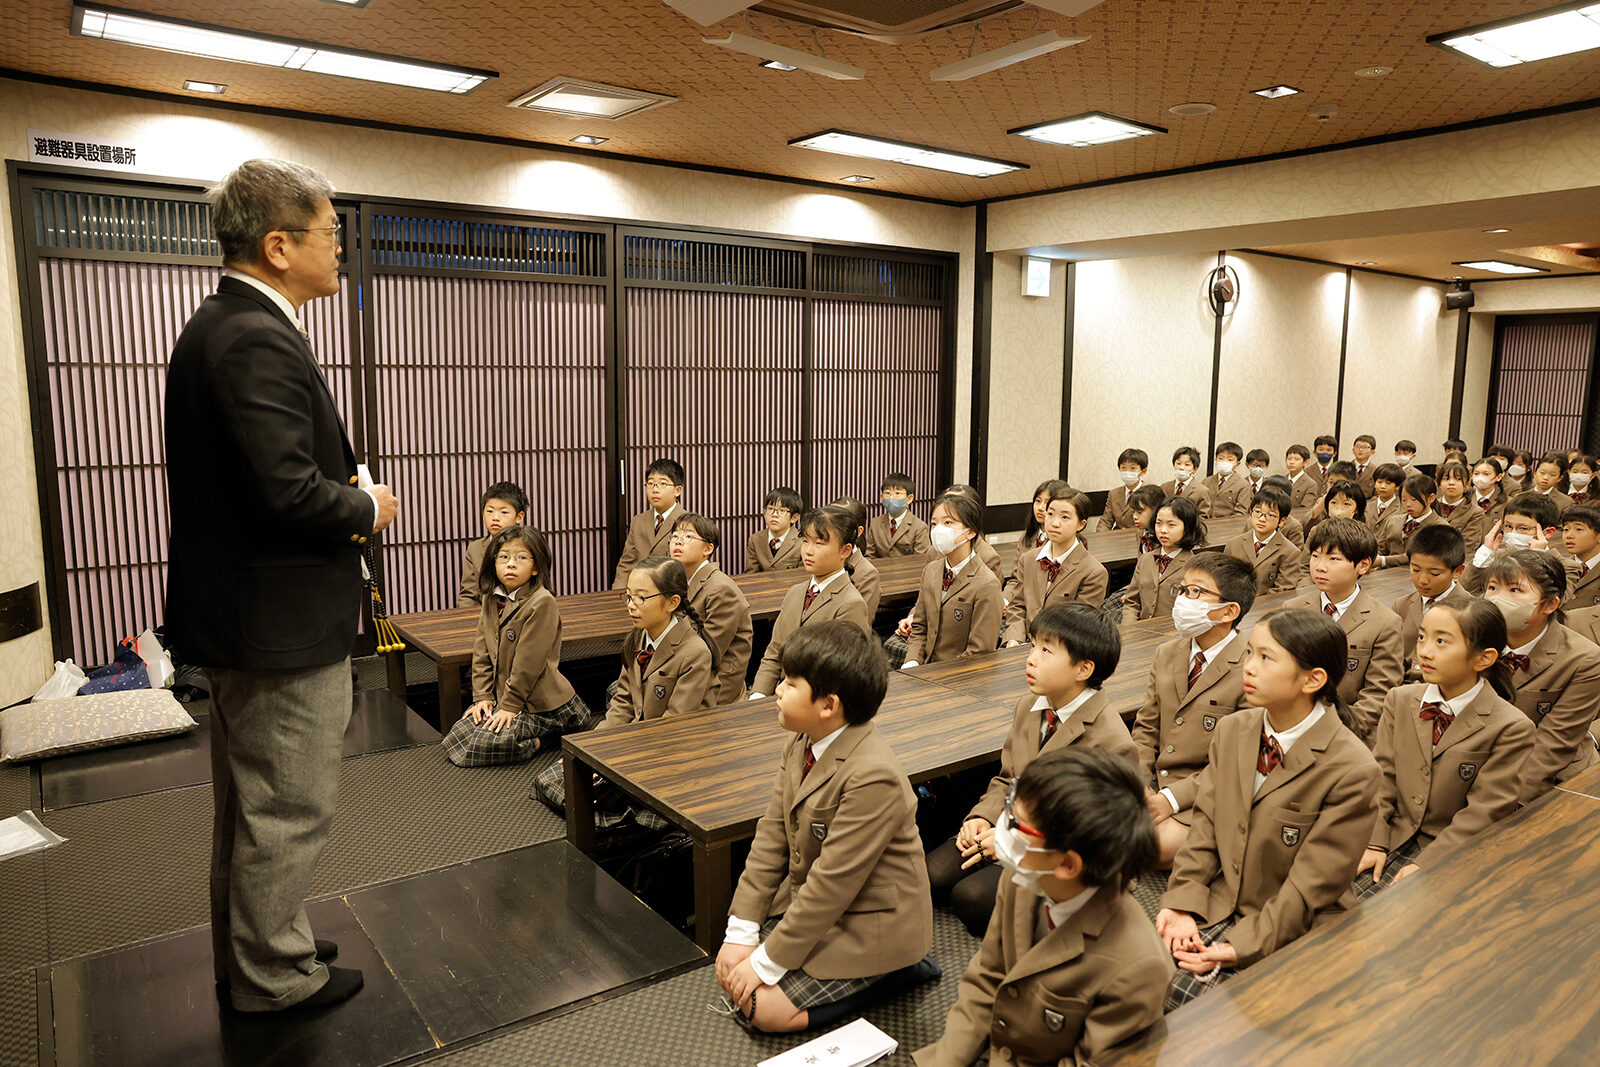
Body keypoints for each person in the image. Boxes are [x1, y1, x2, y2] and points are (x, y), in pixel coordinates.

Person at [165, 158, 398, 1011]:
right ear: (277, 245)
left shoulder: (221, 324)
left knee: (249, 802)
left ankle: (256, 946)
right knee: (286, 808)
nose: (342, 249)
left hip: (242, 617)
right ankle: (274, 974)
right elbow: (286, 491)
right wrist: (366, 506)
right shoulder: (255, 334)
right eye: (332, 232)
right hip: (277, 624)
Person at [717, 622, 939, 1033]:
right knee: (732, 960)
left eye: (789, 682)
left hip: (871, 922)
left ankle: (901, 969)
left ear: (827, 705)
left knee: (759, 1008)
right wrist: (741, 929)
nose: (778, 690)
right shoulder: (801, 739)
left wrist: (764, 962)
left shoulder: (873, 775)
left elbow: (832, 885)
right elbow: (771, 836)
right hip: (822, 904)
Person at [1155, 609, 1379, 1009]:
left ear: (1313, 680)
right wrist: (1182, 901)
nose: (1249, 668)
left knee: (1203, 1013)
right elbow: (1206, 826)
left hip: (1294, 920)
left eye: (1266, 658)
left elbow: (1311, 886)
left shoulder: (1353, 768)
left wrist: (1238, 946)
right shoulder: (1234, 729)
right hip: (1221, 898)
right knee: (1134, 978)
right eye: (1250, 654)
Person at [913, 749, 1171, 1067]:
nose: (1004, 830)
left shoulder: (1139, 968)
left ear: (1066, 863)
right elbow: (984, 980)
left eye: (1019, 826)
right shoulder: (1022, 879)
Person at [928, 603, 1137, 937]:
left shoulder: (1110, 740)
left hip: (1064, 853)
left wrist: (1013, 841)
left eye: (1045, 650)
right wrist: (981, 817)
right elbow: (1007, 777)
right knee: (932, 876)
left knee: (970, 899)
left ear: (1083, 669)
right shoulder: (1029, 706)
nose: (1031, 658)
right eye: (1032, 645)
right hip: (1010, 826)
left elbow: (1092, 831)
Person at [1357, 600, 1534, 896]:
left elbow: (1483, 812)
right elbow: (1382, 778)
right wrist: (1374, 840)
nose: (1424, 650)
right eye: (1423, 636)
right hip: (1389, 833)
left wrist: (1430, 864)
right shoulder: (1400, 699)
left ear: (1483, 658)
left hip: (1449, 849)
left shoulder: (1511, 727)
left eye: (1441, 641)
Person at [1134, 554, 1256, 864]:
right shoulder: (1167, 652)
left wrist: (1171, 800)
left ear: (1228, 611)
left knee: (1148, 846)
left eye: (1197, 593)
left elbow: (1237, 761)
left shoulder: (1251, 668)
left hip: (1206, 788)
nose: (1184, 600)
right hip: (1154, 782)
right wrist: (1135, 782)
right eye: (1184, 590)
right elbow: (1146, 728)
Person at [445, 525, 595, 766]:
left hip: (539, 704)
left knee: (478, 746)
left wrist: (508, 707)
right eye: (503, 557)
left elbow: (529, 664)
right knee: (458, 735)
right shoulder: (491, 596)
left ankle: (547, 739)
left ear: (536, 567)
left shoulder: (542, 602)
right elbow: (482, 648)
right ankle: (531, 733)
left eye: (521, 558)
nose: (511, 564)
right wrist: (482, 697)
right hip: (503, 695)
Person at [749, 507, 872, 698]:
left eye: (819, 543)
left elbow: (842, 673)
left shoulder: (851, 603)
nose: (808, 550)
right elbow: (774, 652)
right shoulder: (795, 592)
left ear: (845, 550)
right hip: (780, 695)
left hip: (816, 702)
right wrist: (758, 694)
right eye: (805, 541)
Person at [897, 493, 1003, 669]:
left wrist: (939, 674)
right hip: (925, 668)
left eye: (947, 523)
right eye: (934, 523)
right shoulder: (931, 571)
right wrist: (912, 661)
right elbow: (920, 627)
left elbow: (979, 651)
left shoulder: (987, 584)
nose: (938, 530)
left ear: (970, 531)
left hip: (960, 676)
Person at [1002, 487, 1108, 647]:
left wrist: (1041, 647)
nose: (1054, 523)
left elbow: (1079, 625)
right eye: (1050, 514)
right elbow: (1017, 605)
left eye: (1065, 517)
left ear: (1081, 524)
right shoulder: (1029, 559)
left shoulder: (1094, 572)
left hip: (1062, 649)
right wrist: (1014, 639)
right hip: (1022, 646)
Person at [671, 513, 753, 705]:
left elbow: (709, 653)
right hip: (687, 668)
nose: (678, 542)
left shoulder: (720, 588)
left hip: (716, 684)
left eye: (688, 537)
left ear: (708, 549)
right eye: (675, 536)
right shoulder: (678, 580)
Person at [1121, 496, 1204, 622]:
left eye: (1171, 525)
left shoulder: (1194, 566)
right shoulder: (1146, 559)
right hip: (1141, 632)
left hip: (1174, 635)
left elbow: (1193, 612)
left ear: (1187, 528)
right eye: (1158, 523)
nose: (1163, 530)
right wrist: (1129, 630)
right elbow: (1132, 602)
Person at [612, 458, 683, 589]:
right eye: (650, 483)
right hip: (638, 594)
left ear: (677, 490)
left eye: (663, 484)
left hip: (670, 593)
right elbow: (626, 564)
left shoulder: (687, 522)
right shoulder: (638, 521)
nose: (655, 490)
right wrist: (617, 595)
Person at [458, 481, 526, 608]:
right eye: (489, 511)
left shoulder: (529, 546)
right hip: (485, 618)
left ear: (519, 517)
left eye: (504, 512)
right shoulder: (475, 549)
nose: (495, 518)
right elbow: (468, 595)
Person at [1223, 486, 1301, 594]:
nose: (1262, 519)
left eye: (1270, 515)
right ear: (1250, 513)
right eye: (1258, 512)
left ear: (1282, 521)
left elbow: (1283, 591)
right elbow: (1224, 580)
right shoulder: (1233, 544)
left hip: (1266, 606)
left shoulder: (1290, 552)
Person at [867, 472, 932, 557]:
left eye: (897, 493)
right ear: (882, 497)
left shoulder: (919, 527)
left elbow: (921, 560)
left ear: (909, 499)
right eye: (887, 493)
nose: (891, 498)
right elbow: (869, 556)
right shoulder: (875, 523)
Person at [747, 487, 804, 572]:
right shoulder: (755, 539)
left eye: (782, 510)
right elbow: (750, 574)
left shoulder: (802, 541)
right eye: (770, 509)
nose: (774, 515)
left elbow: (803, 577)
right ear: (764, 512)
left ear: (794, 518)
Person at [1099, 450, 1149, 531]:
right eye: (1123, 468)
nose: (1127, 472)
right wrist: (1100, 537)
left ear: (1143, 471)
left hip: (1139, 538)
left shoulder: (1150, 493)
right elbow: (1106, 521)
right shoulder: (1114, 493)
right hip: (1118, 537)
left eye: (1133, 468)